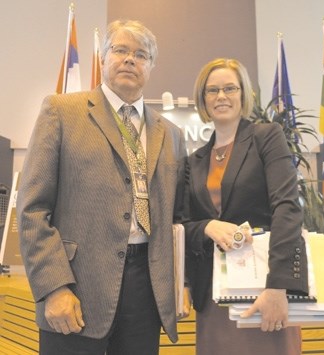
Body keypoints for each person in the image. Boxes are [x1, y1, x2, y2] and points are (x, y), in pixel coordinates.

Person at [16, 19, 186, 355]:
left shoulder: (170, 134)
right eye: (120, 50)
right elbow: (33, 208)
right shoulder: (61, 112)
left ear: (150, 66)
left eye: (140, 54)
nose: (129, 59)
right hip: (77, 283)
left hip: (146, 289)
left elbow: (177, 216)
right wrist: (54, 287)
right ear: (104, 57)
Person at [183, 58, 309, 355]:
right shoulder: (194, 161)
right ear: (203, 99)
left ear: (243, 94)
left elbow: (287, 208)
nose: (221, 96)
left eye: (230, 88)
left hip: (264, 289)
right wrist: (207, 226)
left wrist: (278, 287)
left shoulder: (266, 137)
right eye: (212, 90)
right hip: (215, 297)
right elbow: (182, 224)